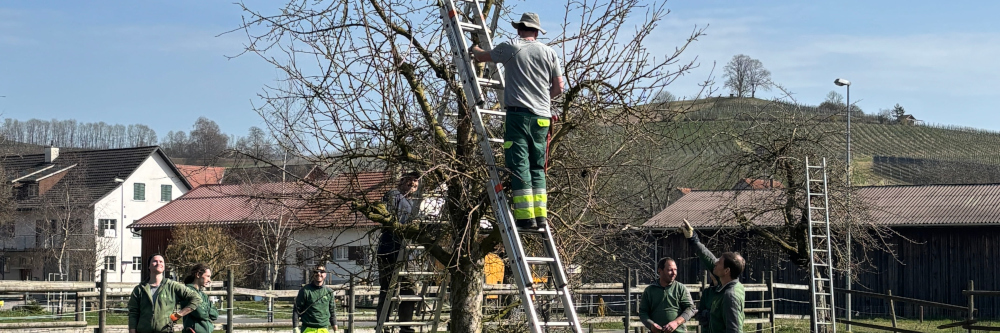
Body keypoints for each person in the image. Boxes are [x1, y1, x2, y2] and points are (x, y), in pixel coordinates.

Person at [470, 12, 565, 230]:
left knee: (519, 165)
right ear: (536, 31)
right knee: (537, 167)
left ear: (518, 29)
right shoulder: (550, 53)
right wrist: (541, 100)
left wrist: (473, 49)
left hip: (518, 117)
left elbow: (483, 57)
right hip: (542, 119)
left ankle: (525, 218)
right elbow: (559, 88)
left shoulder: (511, 47)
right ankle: (540, 217)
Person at [680, 219, 746, 333]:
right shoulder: (729, 285)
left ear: (726, 271)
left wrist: (708, 315)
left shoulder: (730, 295)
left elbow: (734, 330)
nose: (715, 263)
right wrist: (693, 239)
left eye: (719, 262)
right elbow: (710, 260)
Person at [376, 172, 420, 333]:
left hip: (409, 254)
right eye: (409, 180)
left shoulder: (415, 202)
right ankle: (383, 327)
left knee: (409, 291)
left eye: (416, 181)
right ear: (401, 181)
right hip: (390, 250)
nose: (413, 183)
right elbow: (389, 216)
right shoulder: (394, 196)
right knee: (388, 290)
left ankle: (406, 327)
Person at [127, 255, 203, 333]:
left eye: (161, 261)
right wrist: (132, 330)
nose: (158, 263)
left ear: (164, 266)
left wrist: (178, 315)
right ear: (149, 266)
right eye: (155, 261)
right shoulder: (139, 289)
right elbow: (133, 312)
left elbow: (196, 298)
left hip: (165, 330)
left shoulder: (172, 286)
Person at [639, 257, 696, 333]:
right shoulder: (649, 290)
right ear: (660, 270)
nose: (674, 273)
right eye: (670, 270)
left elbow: (690, 308)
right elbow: (643, 312)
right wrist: (651, 325)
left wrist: (676, 322)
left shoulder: (680, 288)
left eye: (675, 269)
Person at [294, 264, 338, 333]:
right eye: (316, 271)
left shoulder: (329, 292)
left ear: (325, 274)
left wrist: (335, 329)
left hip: (324, 329)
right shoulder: (305, 290)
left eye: (321, 271)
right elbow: (297, 310)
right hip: (308, 328)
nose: (319, 273)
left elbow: (332, 312)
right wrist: (295, 327)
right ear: (313, 274)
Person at [181, 263, 219, 333]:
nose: (209, 280)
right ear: (198, 275)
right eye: (207, 276)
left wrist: (204, 307)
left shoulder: (203, 295)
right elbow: (200, 313)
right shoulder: (187, 292)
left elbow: (215, 315)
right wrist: (208, 308)